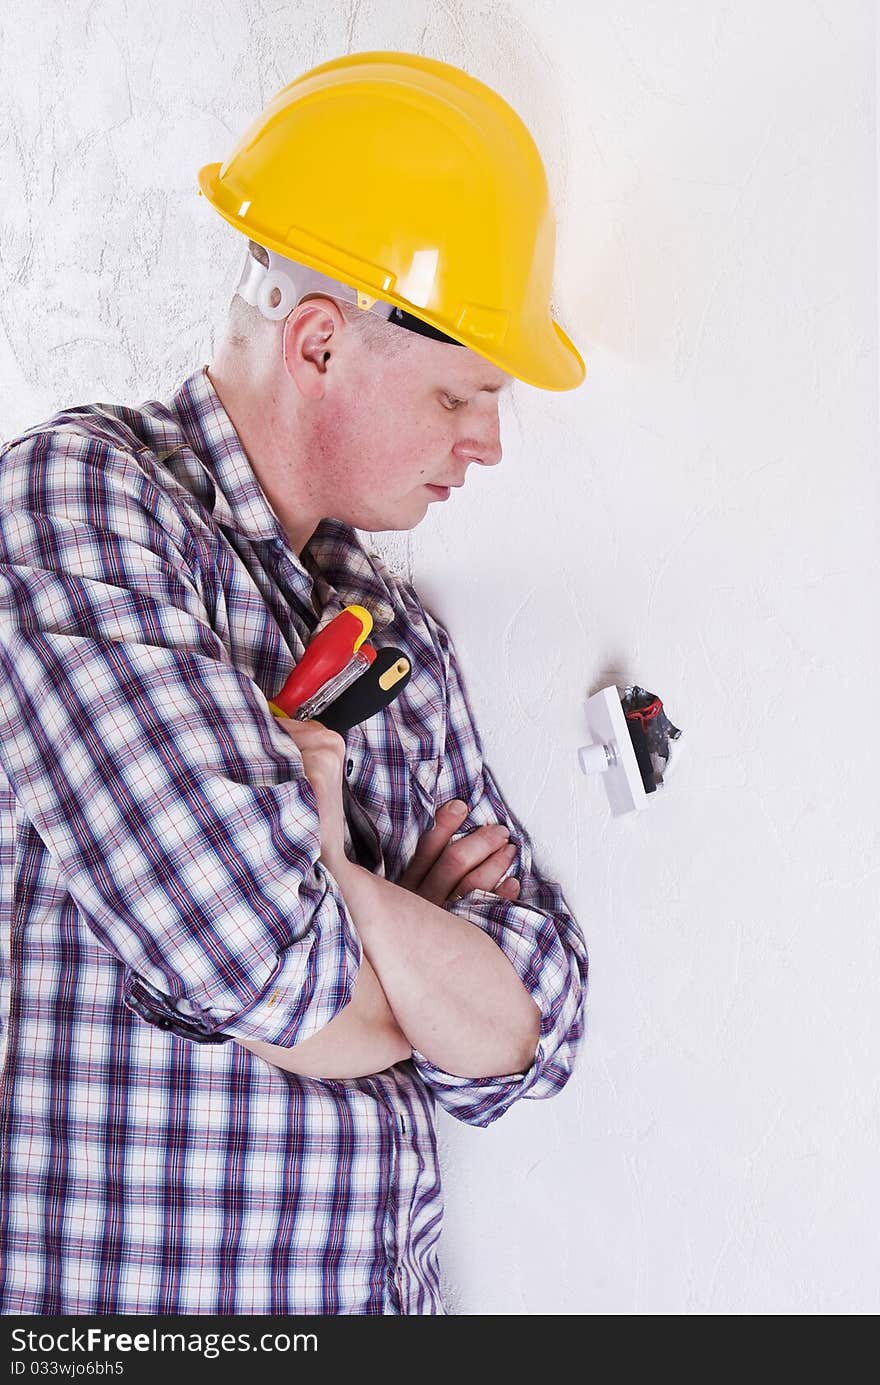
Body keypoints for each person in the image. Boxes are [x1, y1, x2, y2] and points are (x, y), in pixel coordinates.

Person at [0, 51, 589, 1316]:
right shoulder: (83, 509)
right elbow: (262, 964)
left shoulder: (399, 634)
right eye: (459, 392)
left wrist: (333, 877)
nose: (487, 440)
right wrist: (403, 946)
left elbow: (533, 1028)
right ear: (319, 341)